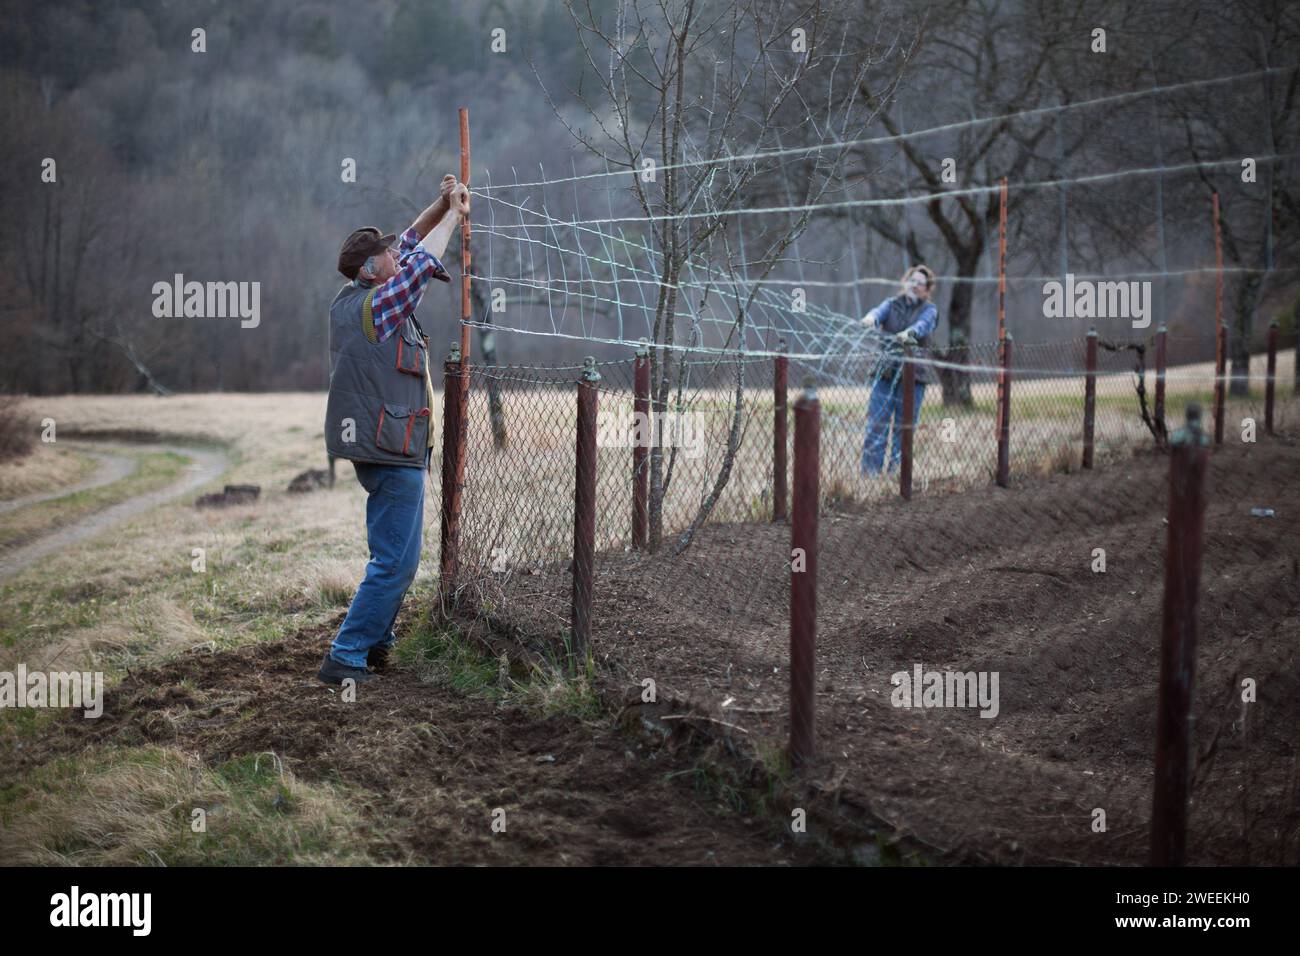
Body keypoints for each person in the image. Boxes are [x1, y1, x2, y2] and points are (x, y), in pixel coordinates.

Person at [317, 173, 471, 686]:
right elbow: (422, 266)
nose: (394, 254)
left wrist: (442, 203)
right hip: (390, 449)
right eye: (385, 254)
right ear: (370, 269)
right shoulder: (376, 305)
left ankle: (377, 643)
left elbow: (411, 241)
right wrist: (455, 215)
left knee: (394, 557)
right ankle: (347, 654)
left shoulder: (361, 292)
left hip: (390, 445)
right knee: (396, 565)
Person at [859, 265, 938, 476]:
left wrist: (910, 333)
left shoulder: (929, 310)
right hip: (885, 374)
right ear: (905, 282)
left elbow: (924, 325)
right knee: (877, 425)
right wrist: (871, 319)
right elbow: (878, 312)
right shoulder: (891, 305)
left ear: (927, 289)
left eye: (920, 282)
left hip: (913, 379)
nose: (915, 285)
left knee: (904, 430)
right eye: (912, 280)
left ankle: (897, 475)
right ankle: (870, 474)